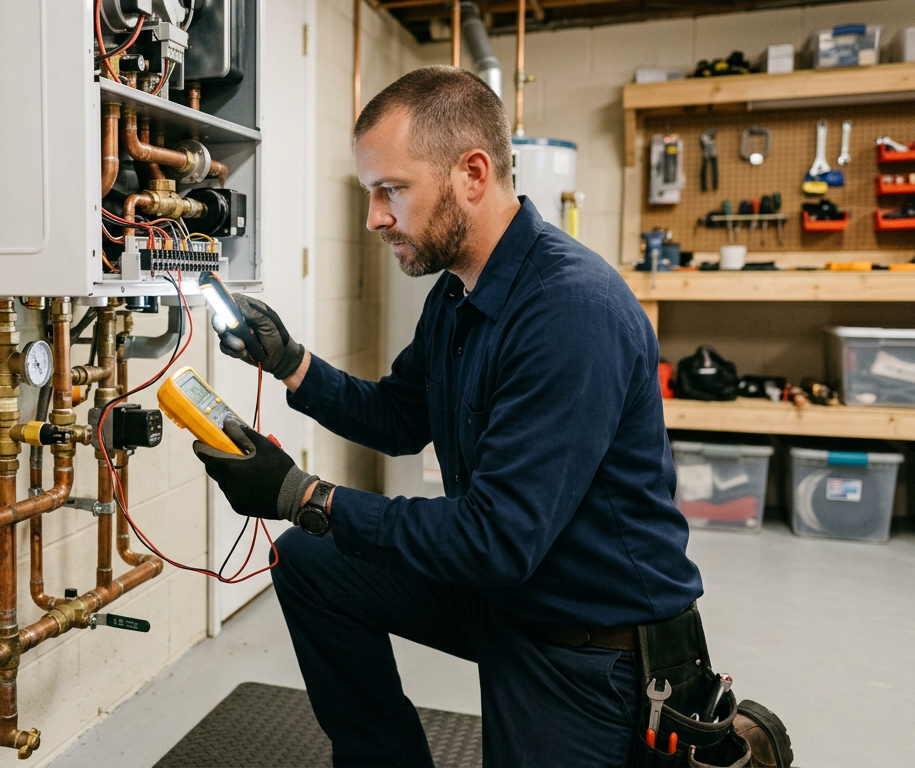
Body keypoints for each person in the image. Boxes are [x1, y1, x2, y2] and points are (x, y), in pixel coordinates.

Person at [193, 66, 704, 767]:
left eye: (390, 191)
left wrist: (304, 496)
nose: (374, 217)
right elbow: (403, 416)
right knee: (310, 561)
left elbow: (496, 537)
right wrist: (291, 363)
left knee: (316, 529)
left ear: (471, 173)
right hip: (506, 593)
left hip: (587, 643)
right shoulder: (459, 293)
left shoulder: (570, 309)